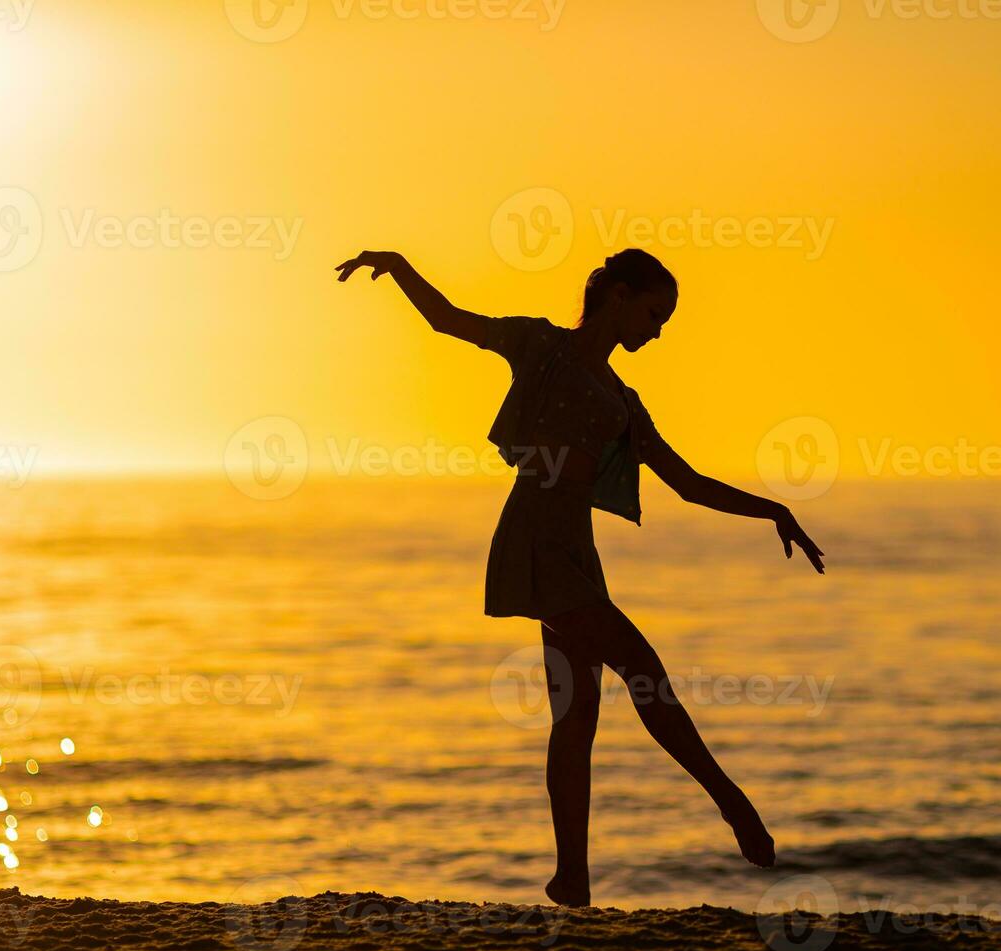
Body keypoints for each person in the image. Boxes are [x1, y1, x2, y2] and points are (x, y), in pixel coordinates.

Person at [335, 248, 826, 907]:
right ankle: (732, 803)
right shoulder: (539, 344)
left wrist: (774, 509)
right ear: (617, 296)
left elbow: (686, 483)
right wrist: (397, 266)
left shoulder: (624, 401)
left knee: (576, 718)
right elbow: (449, 320)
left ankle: (572, 880)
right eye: (654, 314)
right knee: (643, 668)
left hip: (577, 550)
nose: (657, 332)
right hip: (536, 539)